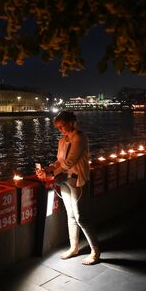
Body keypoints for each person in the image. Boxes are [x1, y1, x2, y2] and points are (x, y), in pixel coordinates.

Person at [36, 111, 100, 265]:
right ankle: (74, 248)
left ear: (71, 122)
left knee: (81, 217)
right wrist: (47, 170)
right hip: (65, 181)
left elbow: (70, 162)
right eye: (58, 127)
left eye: (62, 125)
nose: (61, 129)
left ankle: (95, 251)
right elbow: (60, 161)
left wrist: (52, 174)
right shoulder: (62, 141)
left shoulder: (80, 137)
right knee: (70, 215)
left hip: (78, 181)